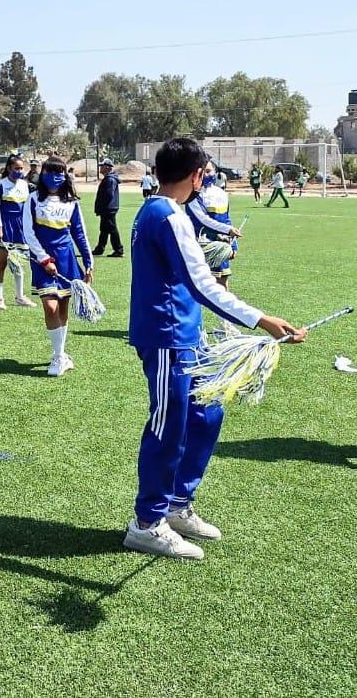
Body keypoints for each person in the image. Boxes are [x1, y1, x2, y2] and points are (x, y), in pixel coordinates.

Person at [124, 137, 304, 559]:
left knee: (208, 411)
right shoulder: (165, 215)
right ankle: (147, 522)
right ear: (197, 175)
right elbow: (202, 283)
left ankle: (176, 504)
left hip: (189, 332)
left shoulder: (171, 210)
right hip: (167, 335)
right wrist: (262, 321)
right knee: (168, 425)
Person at [21, 155, 93, 377]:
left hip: (67, 259)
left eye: (60, 172)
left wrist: (88, 262)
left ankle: (60, 354)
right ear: (43, 175)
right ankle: (59, 356)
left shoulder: (71, 202)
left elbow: (79, 233)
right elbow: (28, 233)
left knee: (62, 307)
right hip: (43, 261)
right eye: (51, 172)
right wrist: (44, 259)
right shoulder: (33, 199)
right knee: (50, 307)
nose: (56, 177)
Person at [186, 159, 242, 290]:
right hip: (203, 245)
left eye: (208, 171)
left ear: (215, 172)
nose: (205, 175)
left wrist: (233, 245)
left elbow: (227, 218)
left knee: (222, 281)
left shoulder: (221, 194)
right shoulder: (193, 196)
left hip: (222, 244)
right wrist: (228, 230)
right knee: (197, 286)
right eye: (202, 172)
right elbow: (203, 220)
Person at [0, 154, 37, 309]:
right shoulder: (1, 185)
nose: (20, 171)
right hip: (6, 226)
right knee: (2, 262)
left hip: (20, 227)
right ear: (9, 168)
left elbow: (27, 208)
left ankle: (20, 296)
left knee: (19, 262)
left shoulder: (24, 185)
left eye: (21, 168)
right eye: (17, 168)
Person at [93, 158, 124, 258]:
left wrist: (101, 207)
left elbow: (108, 195)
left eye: (102, 166)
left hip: (108, 208)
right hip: (108, 208)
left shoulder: (110, 179)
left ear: (107, 167)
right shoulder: (109, 178)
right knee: (104, 229)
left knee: (112, 229)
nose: (100, 168)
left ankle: (118, 249)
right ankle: (100, 248)